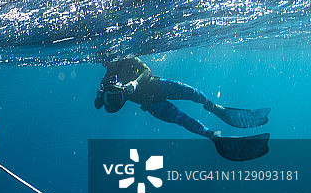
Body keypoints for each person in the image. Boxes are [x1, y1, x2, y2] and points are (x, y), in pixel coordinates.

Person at [95, 56, 270, 161]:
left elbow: (146, 71)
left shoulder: (128, 60)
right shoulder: (106, 80)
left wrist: (134, 84)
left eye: (107, 57)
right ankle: (212, 135)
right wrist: (103, 97)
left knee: (191, 93)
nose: (107, 62)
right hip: (152, 104)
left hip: (158, 86)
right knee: (182, 119)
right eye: (103, 60)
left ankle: (215, 108)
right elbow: (108, 107)